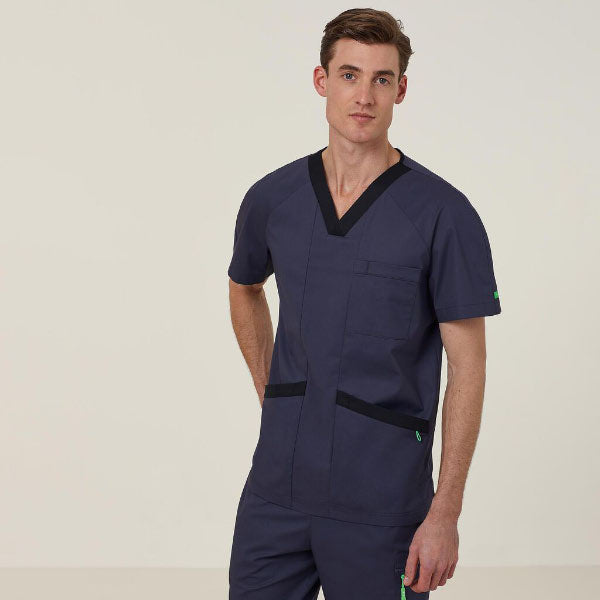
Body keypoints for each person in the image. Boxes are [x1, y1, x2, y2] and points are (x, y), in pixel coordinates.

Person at [226, 8, 501, 599]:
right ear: (321, 80)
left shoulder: (443, 215)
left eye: (382, 79)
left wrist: (445, 512)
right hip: (277, 493)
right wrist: (274, 393)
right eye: (349, 75)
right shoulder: (273, 198)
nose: (364, 96)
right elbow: (244, 287)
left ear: (401, 90)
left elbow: (469, 368)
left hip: (385, 505)